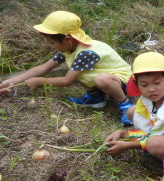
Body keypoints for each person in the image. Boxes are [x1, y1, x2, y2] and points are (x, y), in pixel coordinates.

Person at [0, 11, 133, 125]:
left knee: (100, 78)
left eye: (52, 42)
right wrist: (12, 81)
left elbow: (67, 81)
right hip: (104, 78)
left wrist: (40, 81)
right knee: (80, 71)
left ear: (68, 39)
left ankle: (125, 104)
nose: (53, 46)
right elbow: (43, 68)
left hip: (123, 83)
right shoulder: (68, 48)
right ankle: (96, 97)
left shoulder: (87, 52)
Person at [104, 52, 164, 159]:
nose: (151, 89)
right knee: (132, 111)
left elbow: (158, 136)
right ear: (137, 84)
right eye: (144, 85)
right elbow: (150, 131)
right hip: (162, 134)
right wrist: (122, 133)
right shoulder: (147, 100)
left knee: (154, 144)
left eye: (157, 83)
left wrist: (128, 145)